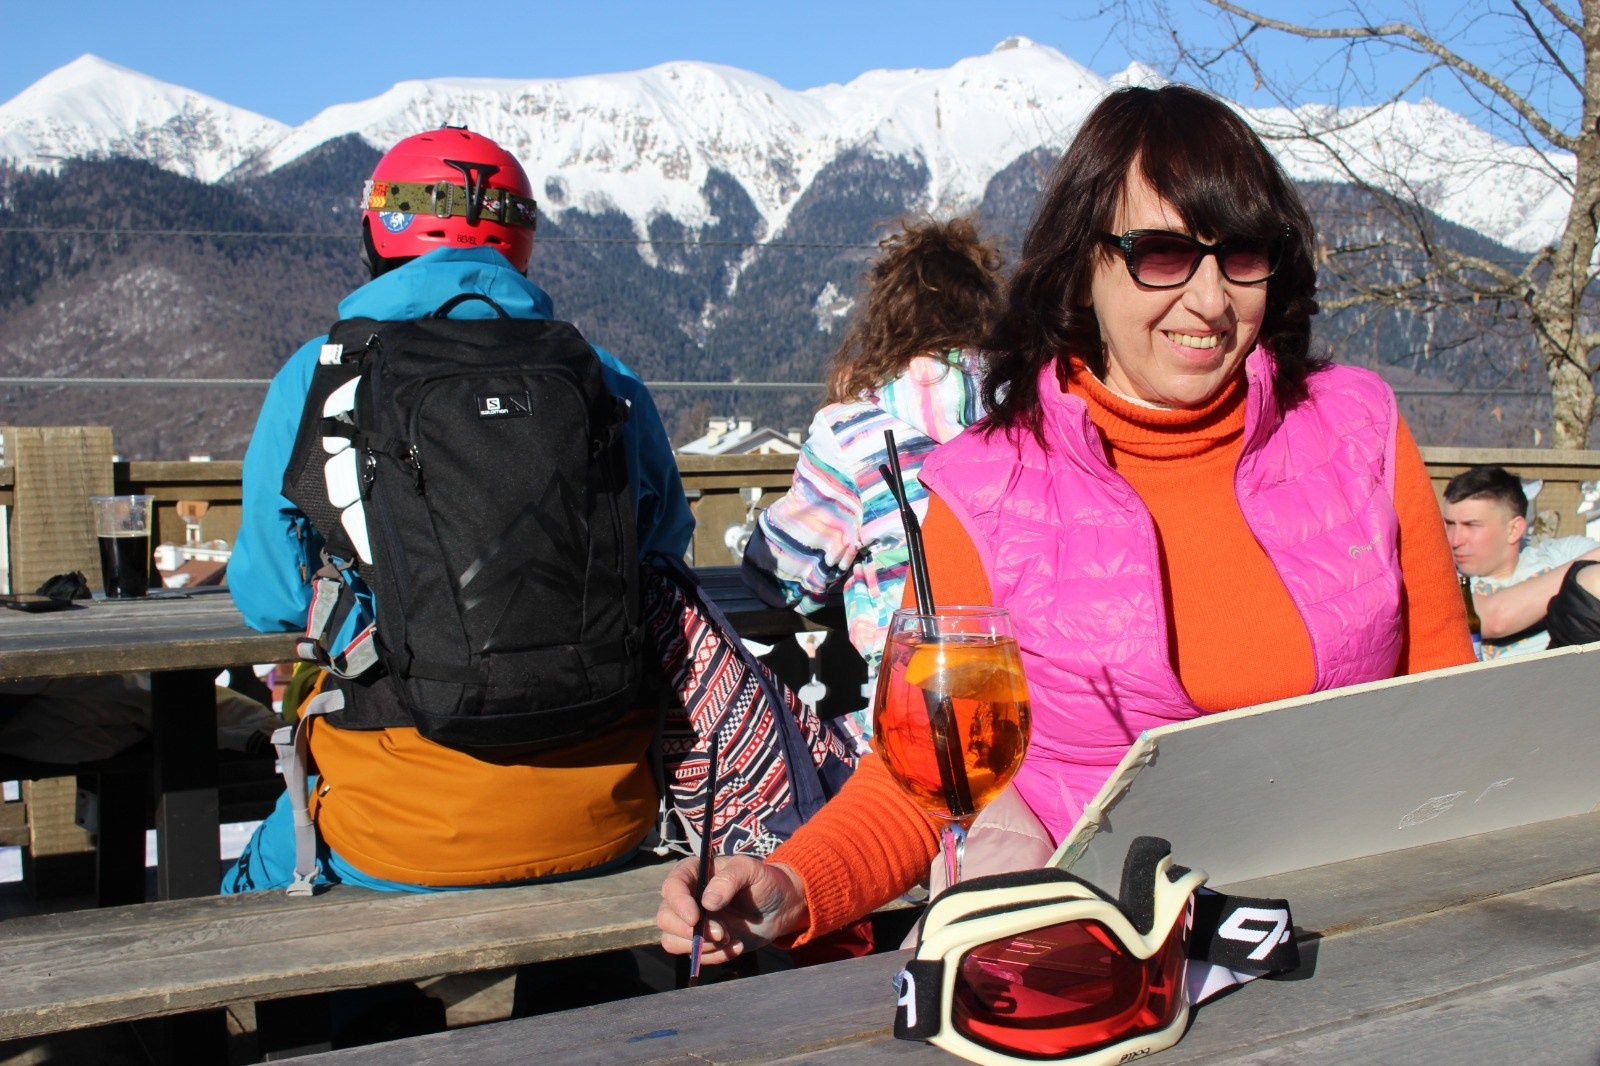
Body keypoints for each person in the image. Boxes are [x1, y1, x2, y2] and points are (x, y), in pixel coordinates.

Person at [657, 84, 1474, 961]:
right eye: (1161, 254)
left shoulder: (1358, 430)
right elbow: (932, 779)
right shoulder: (985, 491)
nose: (1208, 300)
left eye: (1241, 253)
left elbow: (1449, 711)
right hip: (1108, 960)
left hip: (1365, 927)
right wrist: (792, 882)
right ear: (1084, 264)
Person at [224, 127, 693, 894]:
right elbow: (663, 549)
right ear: (520, 241)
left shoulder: (318, 375)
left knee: (245, 897)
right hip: (606, 802)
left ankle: (354, 1018)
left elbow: (270, 597)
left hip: (397, 817)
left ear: (378, 232)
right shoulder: (604, 375)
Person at [741, 217, 1003, 744]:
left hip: (917, 717)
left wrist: (847, 583)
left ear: (887, 322)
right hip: (1024, 699)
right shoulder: (1032, 413)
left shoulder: (852, 433)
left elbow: (784, 566)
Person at [1443, 464, 1600, 658]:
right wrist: (1575, 580)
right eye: (1449, 524)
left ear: (1514, 530)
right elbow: (1494, 620)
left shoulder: (1560, 555)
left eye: (1471, 525)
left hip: (1568, 676)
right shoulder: (1445, 579)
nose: (1455, 540)